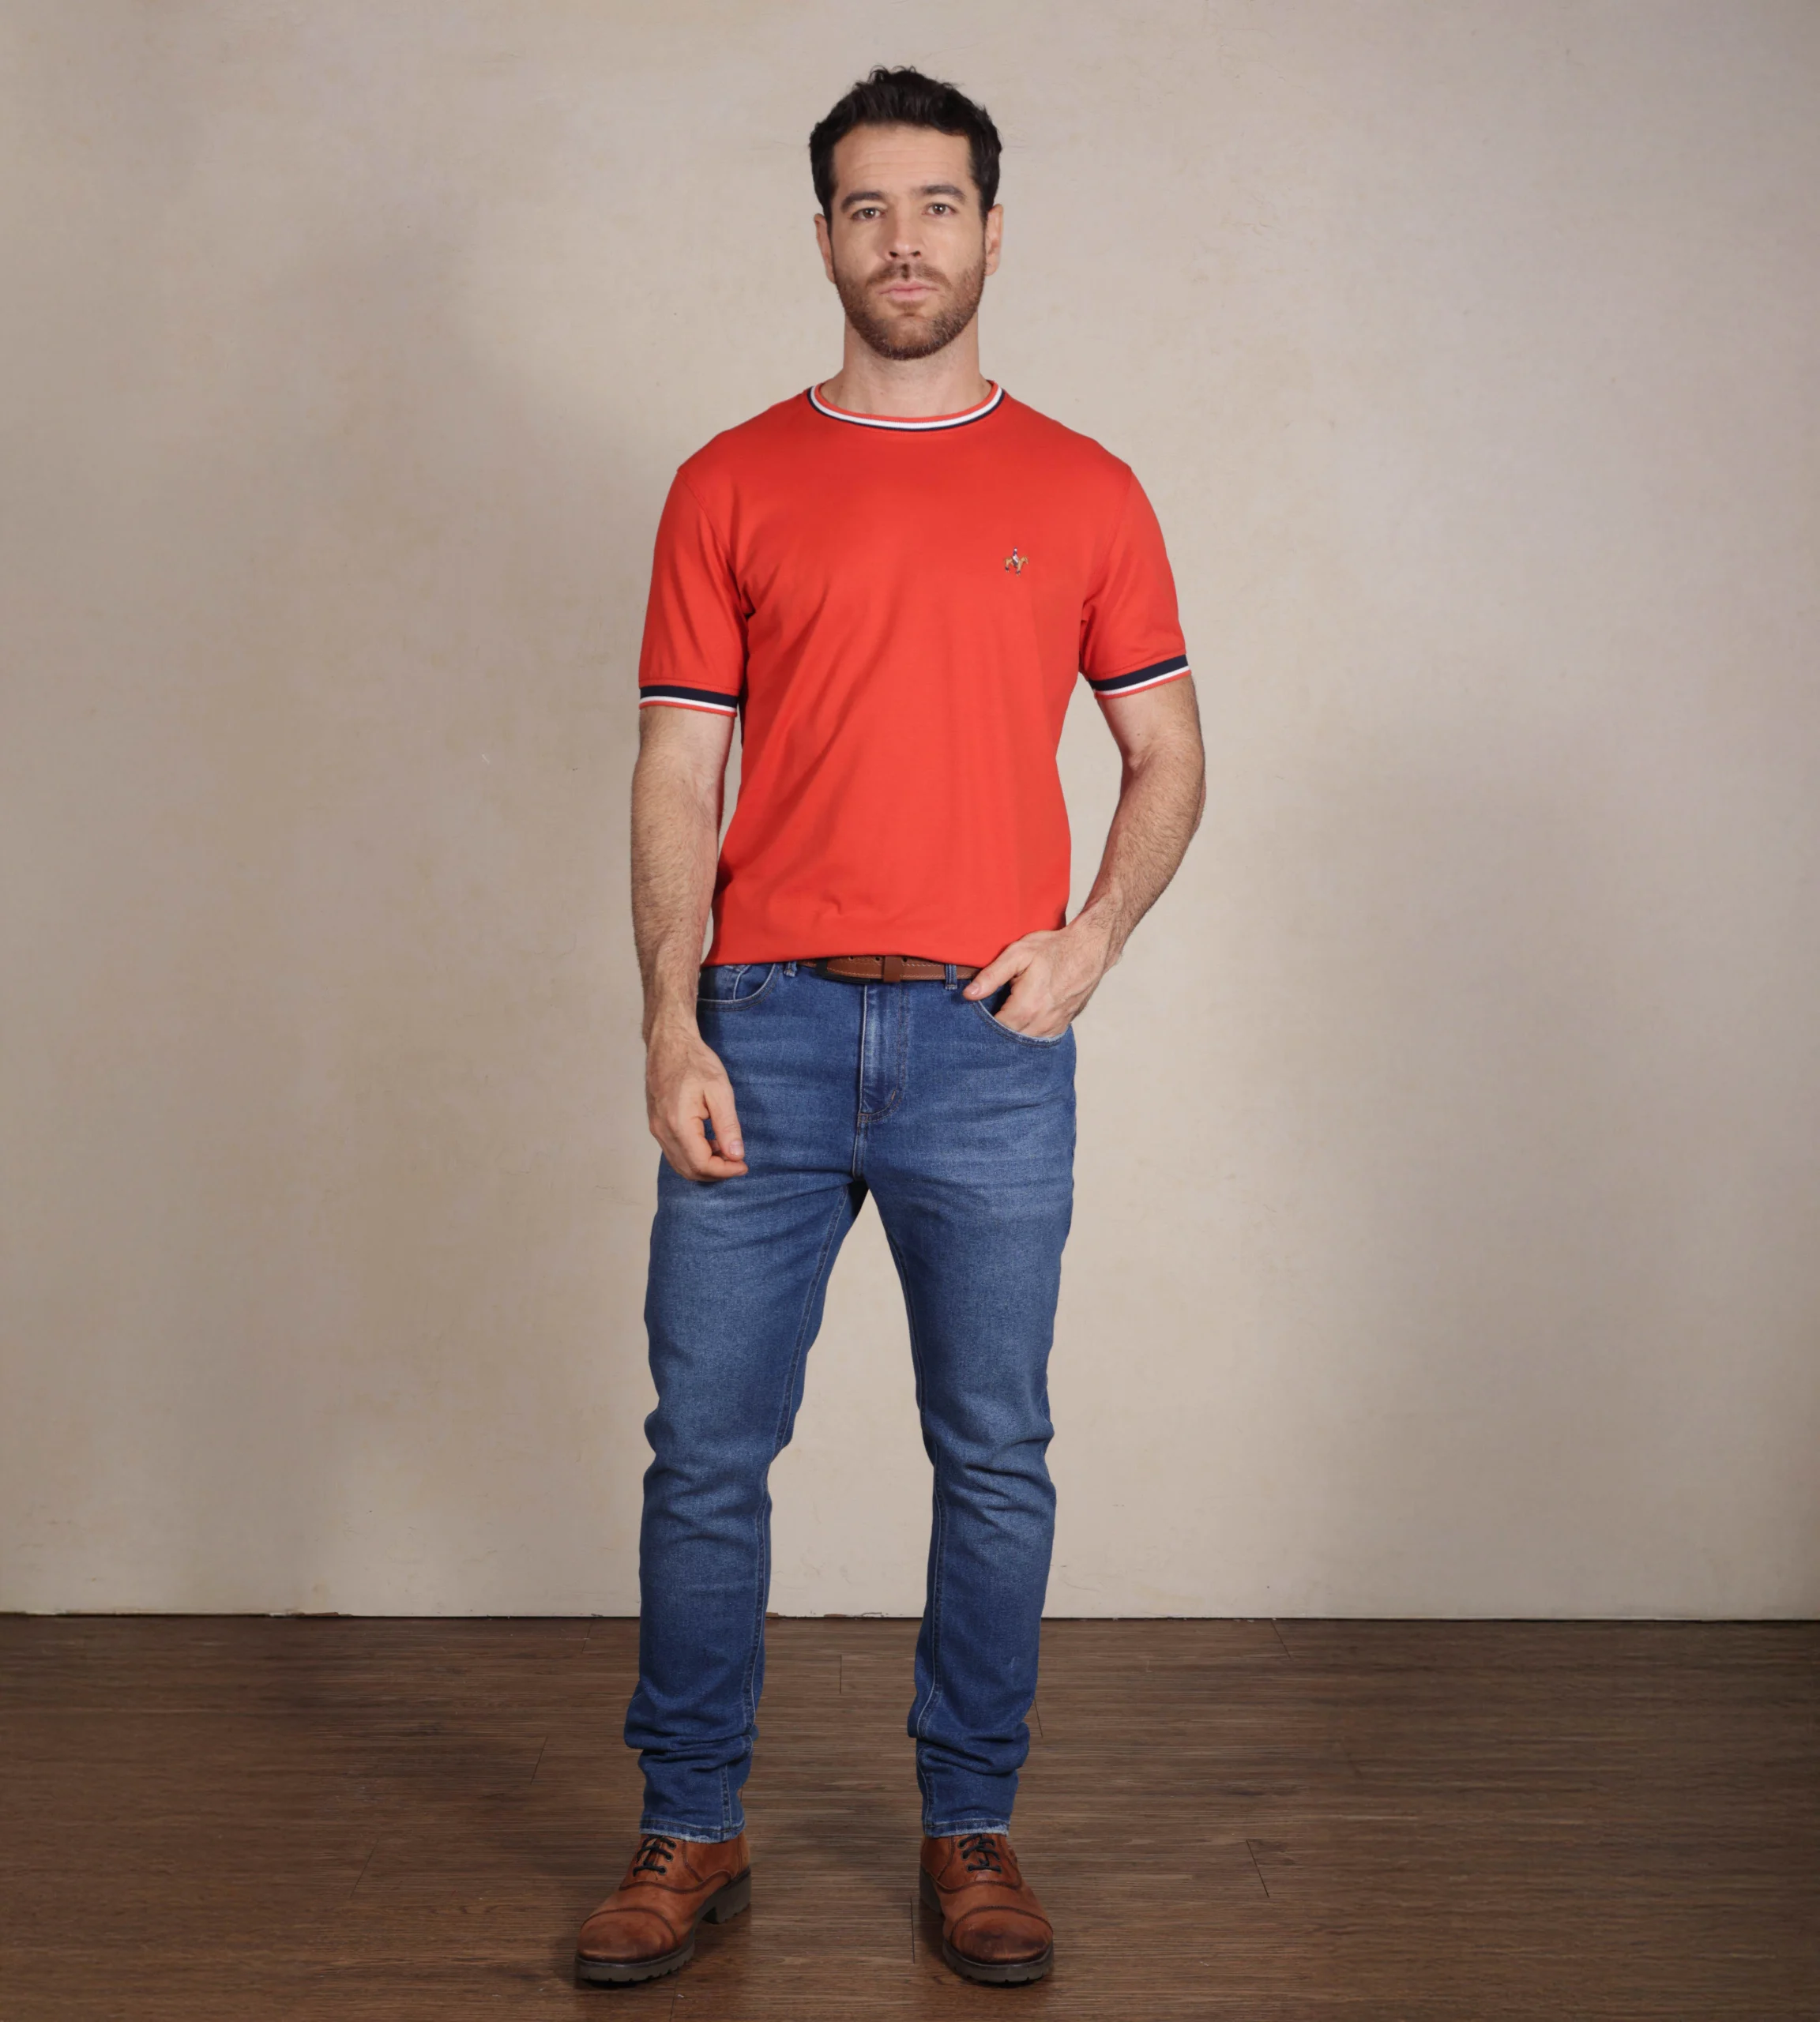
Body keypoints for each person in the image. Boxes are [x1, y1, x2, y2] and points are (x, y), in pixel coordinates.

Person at [575, 65, 1205, 1990]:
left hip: (985, 1048)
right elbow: (678, 766)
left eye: (938, 205)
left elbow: (1169, 752)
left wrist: (1091, 942)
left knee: (995, 1450)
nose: (904, 240)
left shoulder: (1087, 487)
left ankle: (972, 1826)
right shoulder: (730, 481)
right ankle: (690, 1825)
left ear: (993, 232)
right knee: (706, 1451)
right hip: (759, 1027)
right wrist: (669, 1019)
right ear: (825, 236)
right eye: (868, 207)